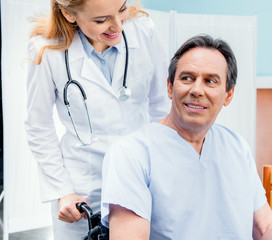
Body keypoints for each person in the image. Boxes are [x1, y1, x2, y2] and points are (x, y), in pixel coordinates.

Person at [101, 35, 272, 239]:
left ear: (228, 95)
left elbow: (266, 228)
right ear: (169, 87)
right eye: (187, 78)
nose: (197, 90)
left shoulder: (237, 147)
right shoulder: (131, 154)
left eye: (211, 81)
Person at [24, 0, 170, 239]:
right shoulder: (46, 50)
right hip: (84, 190)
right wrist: (63, 191)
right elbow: (38, 126)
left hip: (140, 177)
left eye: (122, 9)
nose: (118, 26)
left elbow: (161, 106)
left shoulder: (144, 30)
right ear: (69, 14)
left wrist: (166, 171)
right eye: (101, 20)